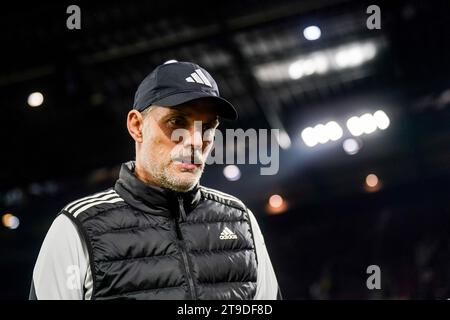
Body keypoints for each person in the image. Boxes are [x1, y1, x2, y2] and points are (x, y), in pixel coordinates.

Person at [30, 60, 281, 300]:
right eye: (177, 121)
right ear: (137, 126)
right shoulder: (77, 227)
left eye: (207, 127)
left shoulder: (240, 221)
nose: (194, 141)